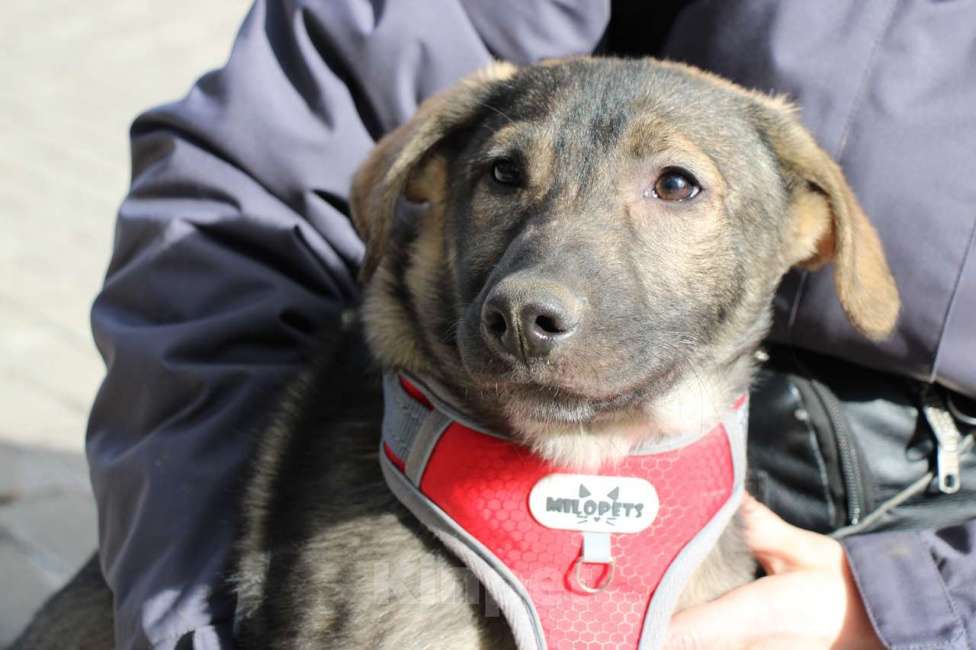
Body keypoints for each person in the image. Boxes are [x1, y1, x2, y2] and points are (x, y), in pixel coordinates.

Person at [87, 1, 976, 648]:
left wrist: (913, 609)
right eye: (507, 179)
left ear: (811, 230)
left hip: (888, 542)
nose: (534, 288)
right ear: (427, 183)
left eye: (674, 185)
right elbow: (259, 173)